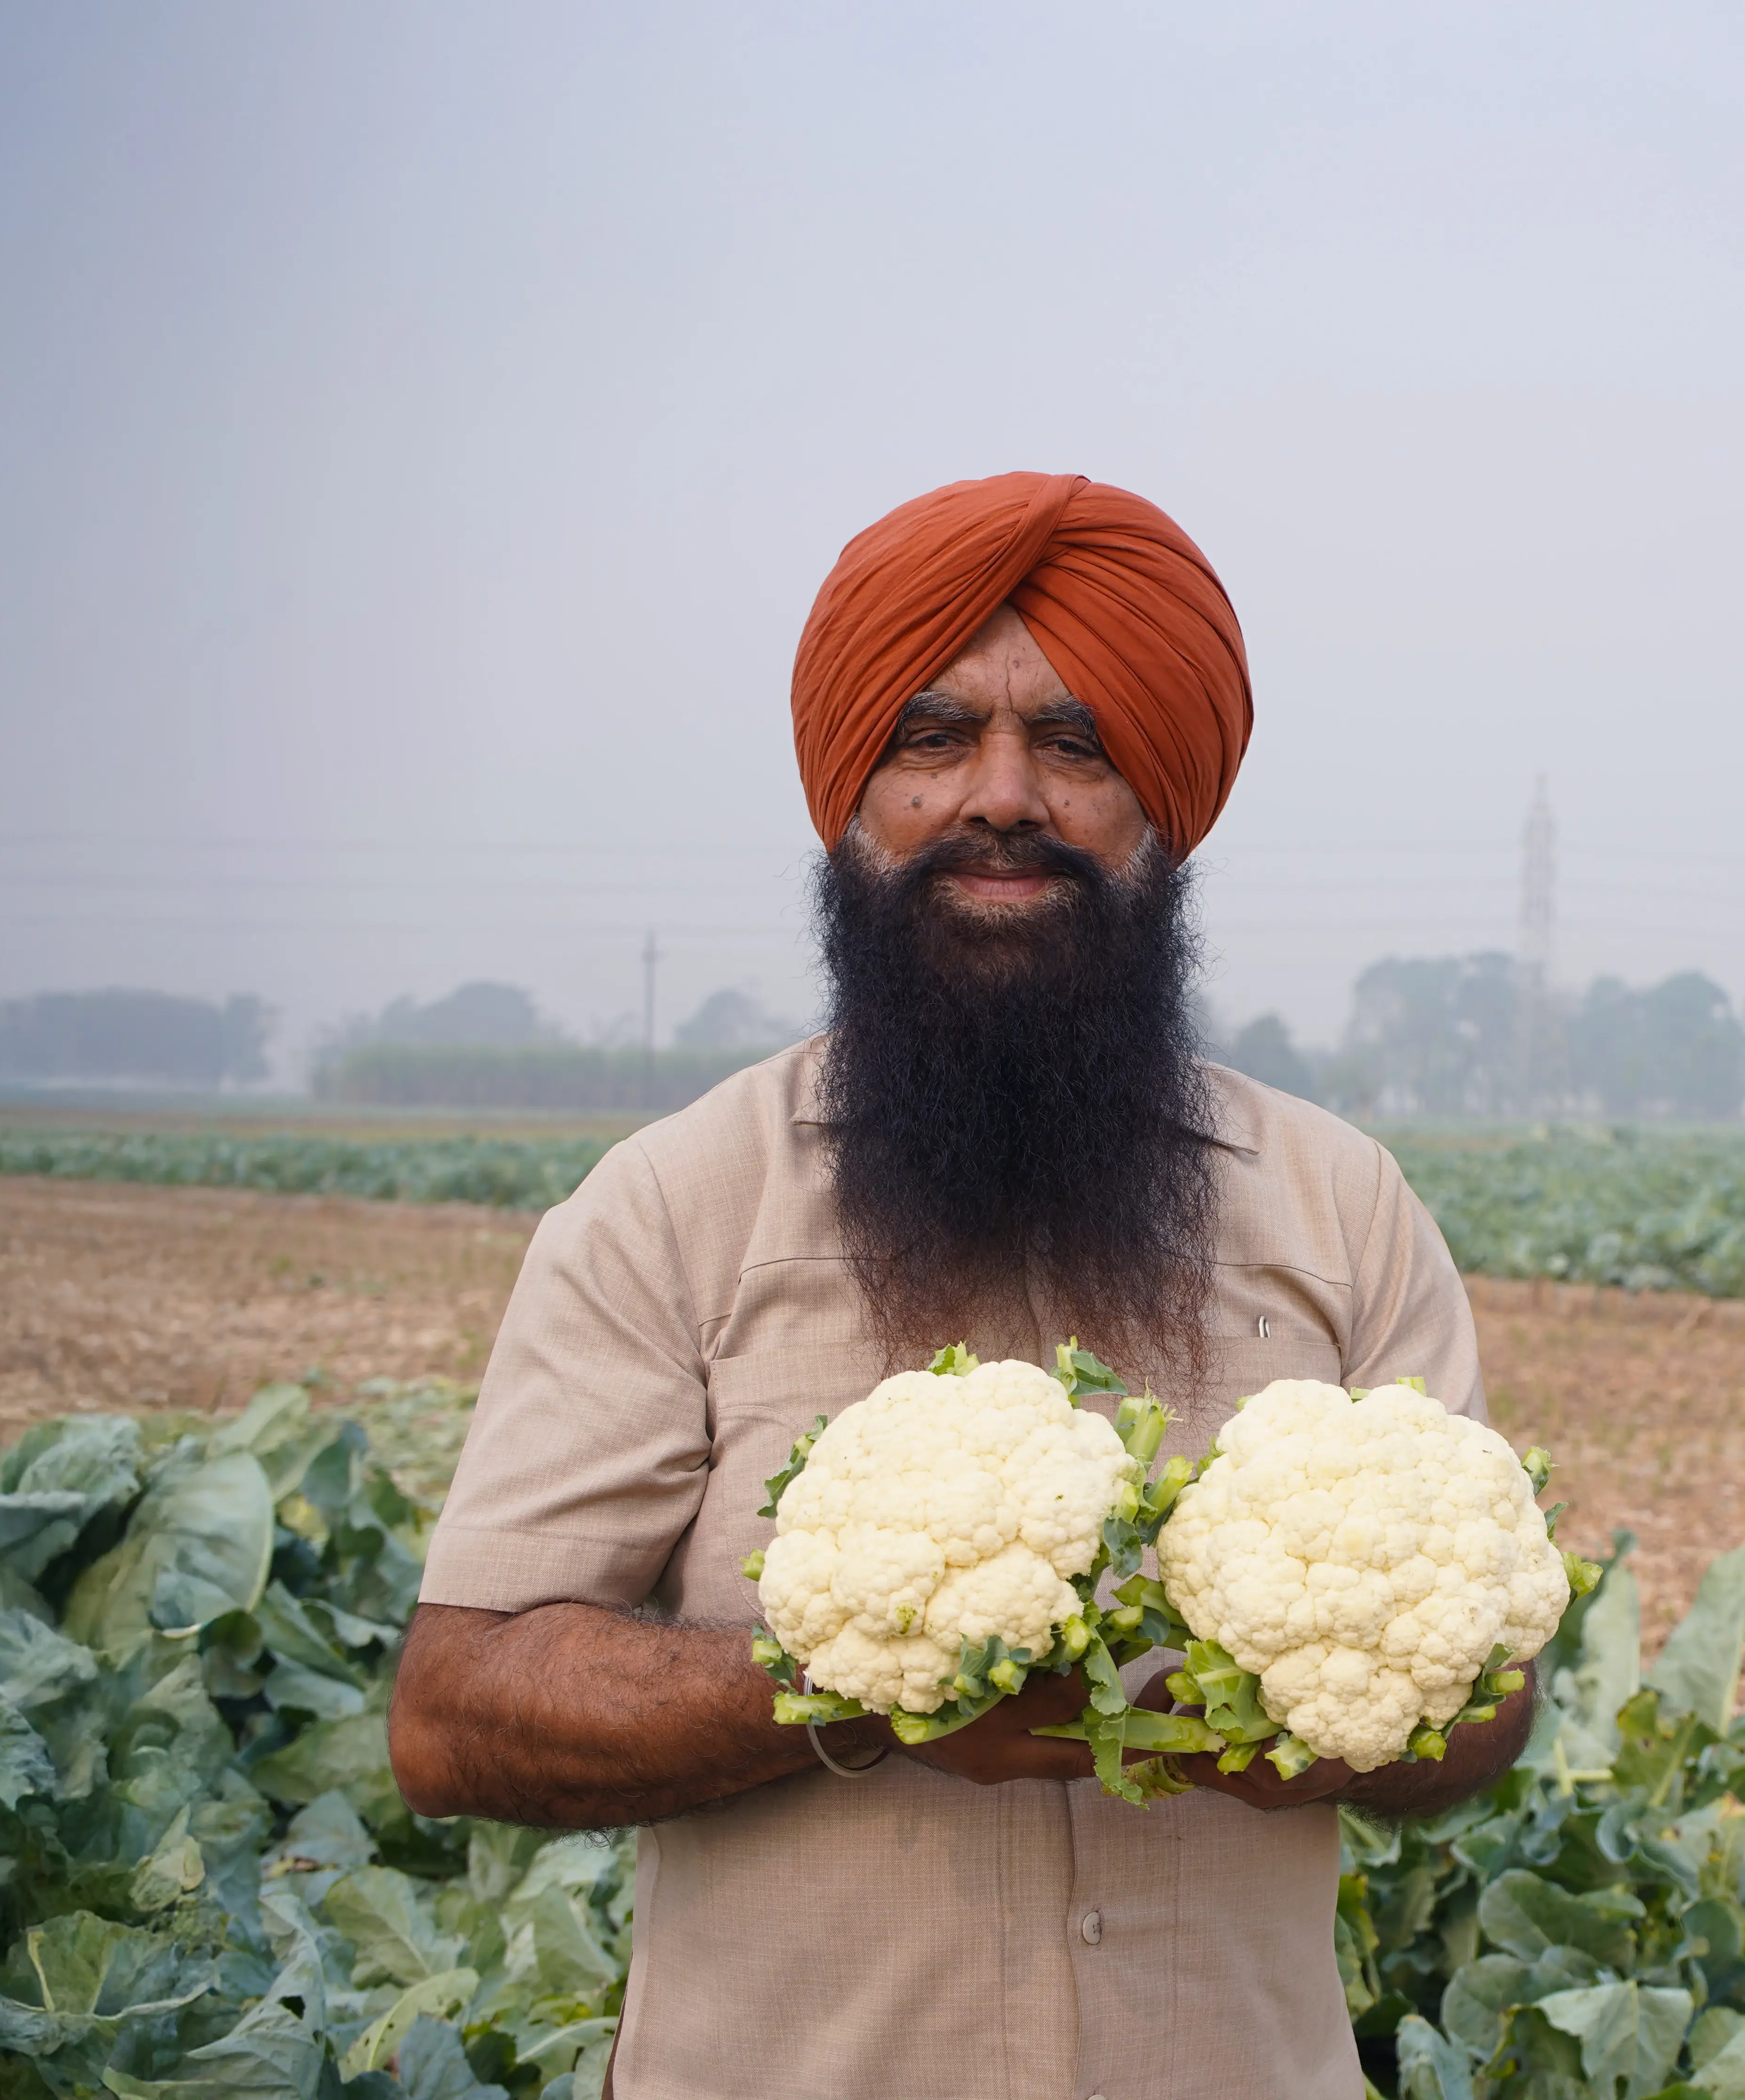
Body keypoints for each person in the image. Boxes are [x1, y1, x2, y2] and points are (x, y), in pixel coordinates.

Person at [389, 471, 1527, 2099]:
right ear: (854, 800)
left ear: (1164, 805)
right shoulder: (674, 1207)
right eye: (932, 739)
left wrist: (1329, 1711)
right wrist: (854, 1680)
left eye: (1076, 743)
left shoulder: (1339, 1206)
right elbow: (453, 1716)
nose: (1004, 797)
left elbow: (1483, 1702)